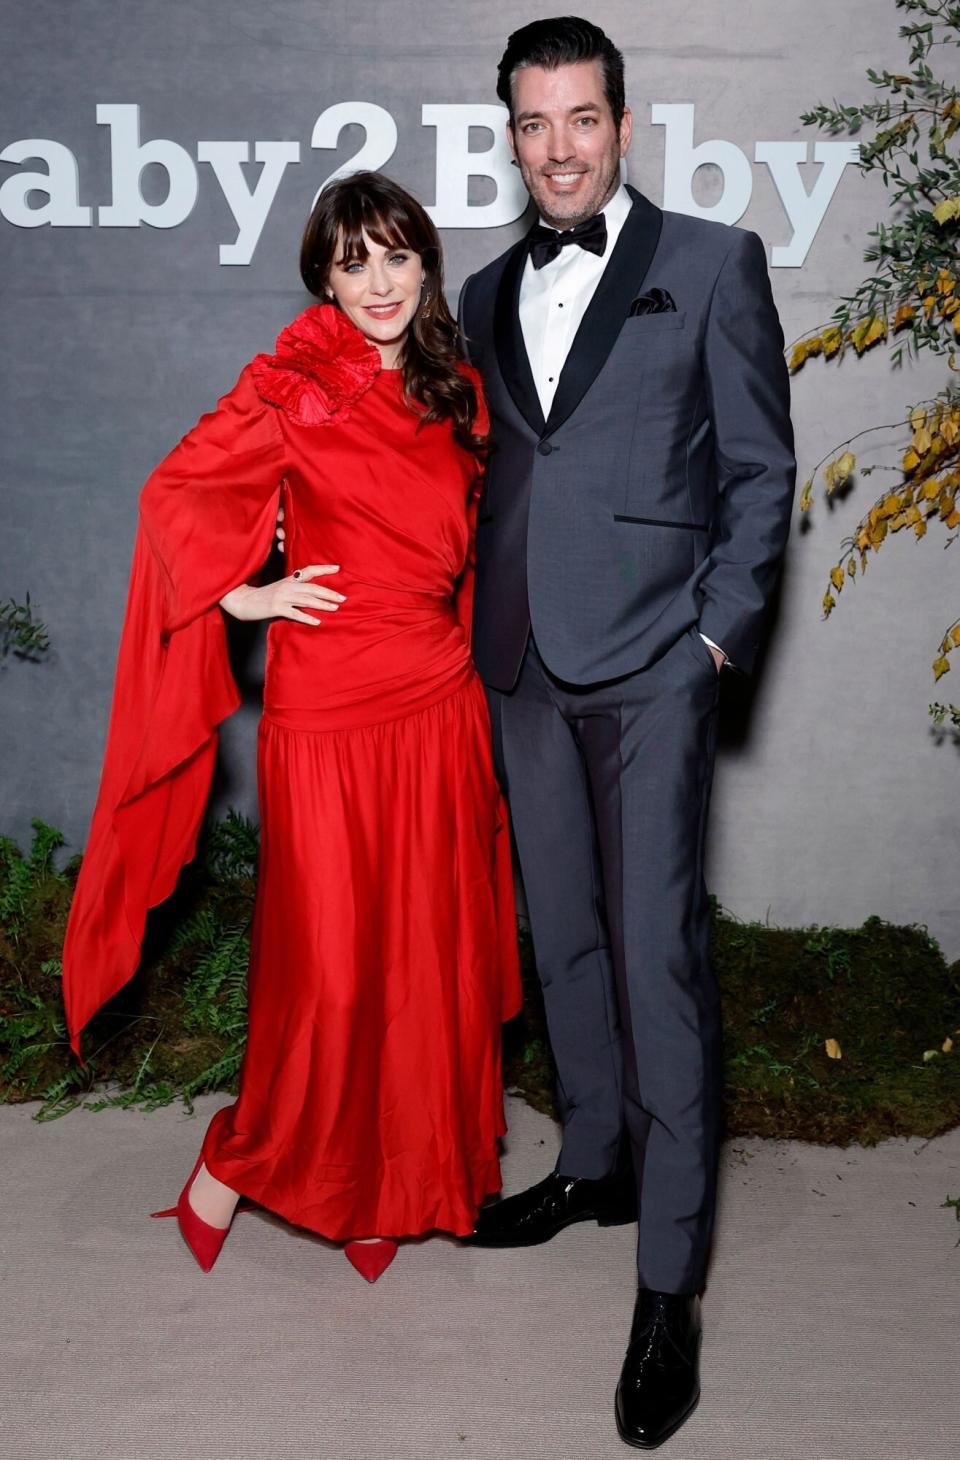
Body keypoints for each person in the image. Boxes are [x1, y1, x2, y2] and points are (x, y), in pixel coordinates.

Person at [61, 171, 521, 1284]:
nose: (378, 281)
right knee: (330, 970)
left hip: (437, 702)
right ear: (323, 272)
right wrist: (244, 595)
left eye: (397, 255)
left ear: (427, 265)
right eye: (353, 259)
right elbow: (173, 498)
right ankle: (238, 1159)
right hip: (322, 709)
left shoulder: (460, 388)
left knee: (419, 958)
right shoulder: (292, 383)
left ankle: (389, 1186)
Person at [456, 17, 796, 1451]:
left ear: (623, 122)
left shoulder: (711, 264)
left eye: (579, 119)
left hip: (656, 664)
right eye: (532, 125)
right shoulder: (478, 291)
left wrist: (710, 642)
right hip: (521, 662)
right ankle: (593, 1157)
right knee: (566, 940)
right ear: (511, 135)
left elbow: (761, 469)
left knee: (656, 956)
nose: (557, 149)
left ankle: (669, 1286)